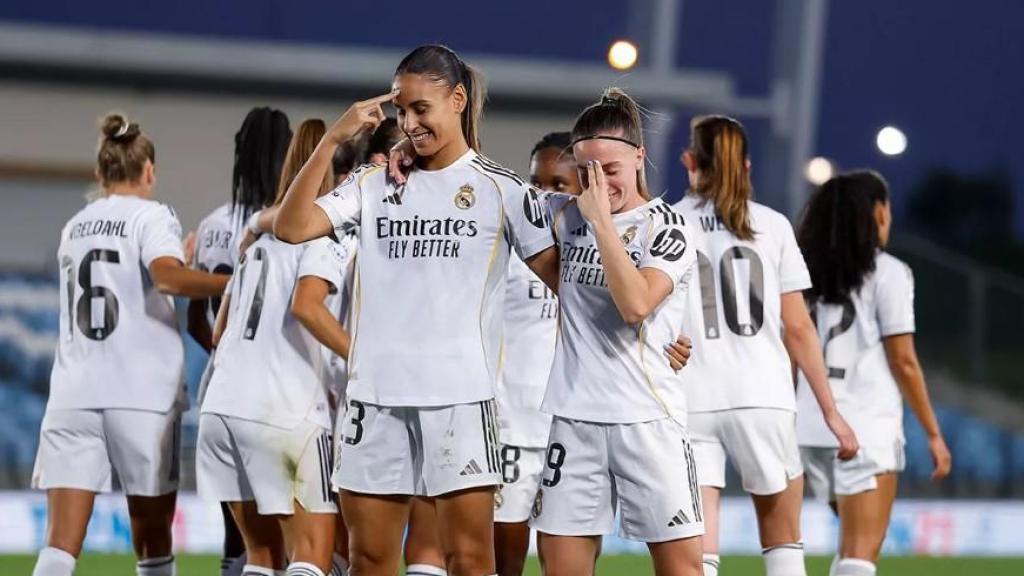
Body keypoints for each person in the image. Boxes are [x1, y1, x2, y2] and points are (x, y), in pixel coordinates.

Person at [261, 45, 561, 576]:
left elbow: (564, 285)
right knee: (369, 559)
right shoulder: (374, 182)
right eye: (401, 111)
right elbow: (290, 227)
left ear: (458, 100)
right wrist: (332, 140)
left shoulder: (504, 190)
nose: (409, 123)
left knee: (470, 560)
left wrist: (653, 335)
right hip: (375, 399)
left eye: (422, 109)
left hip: (461, 401)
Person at [32, 113, 229, 576]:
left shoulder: (74, 226)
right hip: (141, 396)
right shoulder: (152, 216)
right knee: (153, 542)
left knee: (59, 546)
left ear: (100, 173)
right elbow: (167, 278)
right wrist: (232, 282)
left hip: (73, 396)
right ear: (149, 171)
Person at [529, 89, 704, 576]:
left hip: (647, 420)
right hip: (574, 418)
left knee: (682, 570)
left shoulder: (667, 227)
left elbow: (635, 306)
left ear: (639, 157)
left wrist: (602, 224)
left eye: (611, 169)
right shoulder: (564, 215)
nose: (600, 183)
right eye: (588, 171)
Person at [673, 114, 858, 576]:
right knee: (782, 541)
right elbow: (798, 328)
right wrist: (831, 412)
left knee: (699, 552)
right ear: (747, 166)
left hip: (690, 396)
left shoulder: (668, 222)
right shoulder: (772, 226)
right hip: (763, 397)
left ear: (689, 161)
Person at [198, 119, 354, 576]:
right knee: (312, 553)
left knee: (262, 557)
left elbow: (218, 330)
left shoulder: (256, 242)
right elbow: (307, 306)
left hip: (221, 408)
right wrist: (364, 358)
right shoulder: (320, 234)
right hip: (282, 412)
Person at [795, 170, 951, 576]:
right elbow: (903, 361)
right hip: (865, 428)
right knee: (861, 552)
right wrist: (933, 433)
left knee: (851, 545)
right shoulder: (888, 272)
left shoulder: (804, 273)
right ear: (879, 213)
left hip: (810, 430)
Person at [187, 106, 292, 576]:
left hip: (221, 388)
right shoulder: (288, 224)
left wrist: (227, 355)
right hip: (276, 394)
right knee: (288, 540)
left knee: (240, 539)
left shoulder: (212, 225)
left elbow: (197, 321)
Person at [490, 131, 580, 576]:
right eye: (535, 183)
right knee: (505, 564)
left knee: (569, 563)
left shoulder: (599, 255)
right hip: (513, 425)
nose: (543, 195)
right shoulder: (506, 251)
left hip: (575, 428)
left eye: (558, 185)